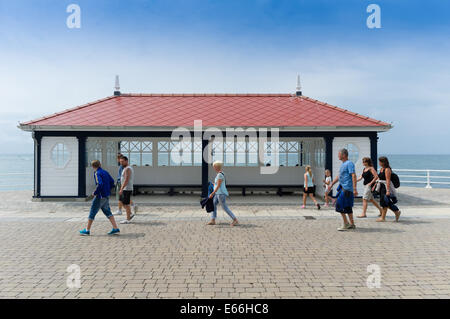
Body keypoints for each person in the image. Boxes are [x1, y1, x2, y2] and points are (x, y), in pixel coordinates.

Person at [79, 160, 120, 235]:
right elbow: (112, 182)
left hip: (100, 196)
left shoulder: (97, 173)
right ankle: (115, 228)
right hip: (106, 195)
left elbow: (100, 184)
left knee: (92, 211)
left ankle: (87, 230)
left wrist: (95, 192)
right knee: (107, 211)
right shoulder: (105, 172)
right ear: (100, 164)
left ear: (92, 166)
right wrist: (108, 190)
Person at [330, 148, 358, 231]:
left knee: (339, 206)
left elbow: (353, 175)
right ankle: (352, 224)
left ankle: (346, 224)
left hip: (347, 189)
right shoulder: (343, 164)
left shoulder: (349, 164)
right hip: (343, 188)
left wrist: (355, 188)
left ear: (344, 155)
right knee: (347, 207)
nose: (338, 155)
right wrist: (331, 184)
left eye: (339, 154)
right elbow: (339, 176)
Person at [207, 161, 239, 226]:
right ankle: (213, 220)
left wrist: (212, 193)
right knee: (213, 204)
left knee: (224, 207)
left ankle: (235, 220)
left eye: (214, 167)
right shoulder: (221, 173)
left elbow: (218, 186)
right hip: (218, 193)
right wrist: (214, 184)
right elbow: (218, 184)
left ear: (216, 167)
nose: (214, 168)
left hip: (220, 194)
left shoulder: (220, 175)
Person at [375, 156, 401, 222]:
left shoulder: (387, 169)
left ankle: (384, 217)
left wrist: (388, 190)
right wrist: (375, 185)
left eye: (380, 162)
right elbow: (379, 178)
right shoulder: (381, 169)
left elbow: (388, 180)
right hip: (381, 186)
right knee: (384, 203)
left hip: (385, 187)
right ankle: (396, 212)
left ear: (383, 162)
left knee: (385, 202)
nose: (379, 163)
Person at [119, 156, 136, 224]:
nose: (121, 163)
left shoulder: (128, 169)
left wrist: (121, 188)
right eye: (120, 162)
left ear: (126, 161)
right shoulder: (125, 168)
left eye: (122, 161)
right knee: (122, 202)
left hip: (127, 188)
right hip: (125, 188)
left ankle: (128, 219)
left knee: (126, 204)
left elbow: (126, 179)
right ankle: (130, 214)